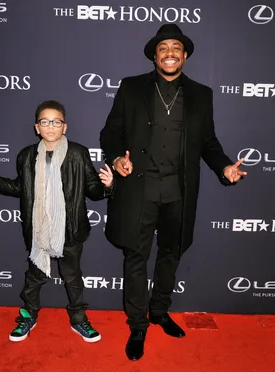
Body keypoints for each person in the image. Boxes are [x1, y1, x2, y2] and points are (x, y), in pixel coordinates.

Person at [100, 24, 247, 360]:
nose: (169, 53)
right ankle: (137, 324)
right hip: (140, 190)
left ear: (184, 55)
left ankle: (158, 311)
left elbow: (208, 143)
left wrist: (224, 166)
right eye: (163, 47)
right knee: (136, 258)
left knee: (171, 254)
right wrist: (115, 159)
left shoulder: (202, 94)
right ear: (155, 55)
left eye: (176, 48)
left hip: (179, 192)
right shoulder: (131, 88)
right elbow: (110, 133)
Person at [0, 100, 113, 343]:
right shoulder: (26, 156)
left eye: (56, 122)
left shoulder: (78, 154)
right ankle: (29, 316)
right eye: (45, 122)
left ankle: (79, 319)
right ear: (37, 127)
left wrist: (108, 185)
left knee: (72, 277)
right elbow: (20, 188)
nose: (50, 126)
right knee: (35, 276)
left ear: (64, 127)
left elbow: (92, 189)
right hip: (38, 228)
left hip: (69, 229)